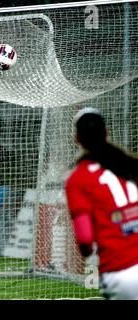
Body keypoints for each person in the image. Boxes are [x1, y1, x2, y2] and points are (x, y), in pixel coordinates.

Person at [65, 107, 138, 300]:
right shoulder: (129, 165)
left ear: (77, 139)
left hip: (122, 272)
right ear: (106, 133)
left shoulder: (78, 179)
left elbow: (86, 239)